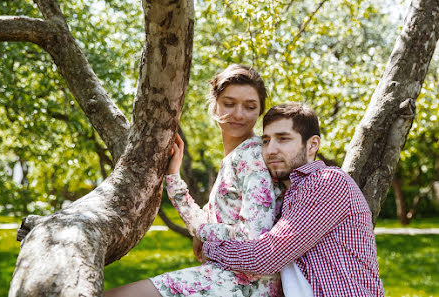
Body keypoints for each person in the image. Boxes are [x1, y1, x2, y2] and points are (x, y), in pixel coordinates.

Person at [105, 64, 285, 297]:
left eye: (250, 107)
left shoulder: (252, 157)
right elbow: (205, 222)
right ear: (213, 104)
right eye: (229, 104)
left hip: (245, 285)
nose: (239, 114)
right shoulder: (234, 157)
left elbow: (252, 238)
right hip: (225, 276)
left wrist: (203, 233)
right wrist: (173, 178)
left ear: (260, 111)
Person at [201, 102, 385, 297]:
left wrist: (210, 248)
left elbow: (267, 255)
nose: (270, 150)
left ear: (312, 145)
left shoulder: (328, 181)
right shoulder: (287, 193)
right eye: (265, 140)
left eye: (283, 139)